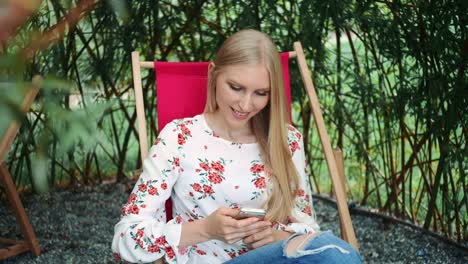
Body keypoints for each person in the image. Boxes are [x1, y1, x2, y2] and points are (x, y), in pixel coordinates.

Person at [112, 29, 362, 264]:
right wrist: (204, 229)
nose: (245, 104)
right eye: (236, 87)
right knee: (337, 255)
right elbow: (125, 238)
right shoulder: (180, 138)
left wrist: (277, 238)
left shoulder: (286, 140)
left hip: (269, 258)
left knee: (332, 252)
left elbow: (308, 229)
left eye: (261, 93)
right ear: (213, 75)